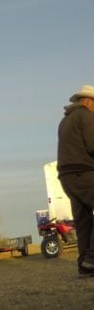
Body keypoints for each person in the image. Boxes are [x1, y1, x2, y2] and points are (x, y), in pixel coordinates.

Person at [57, 84, 94, 277]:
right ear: (88, 101)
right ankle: (91, 258)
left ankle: (85, 268)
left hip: (66, 177)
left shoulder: (65, 121)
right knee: (84, 220)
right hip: (83, 173)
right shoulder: (86, 116)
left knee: (83, 221)